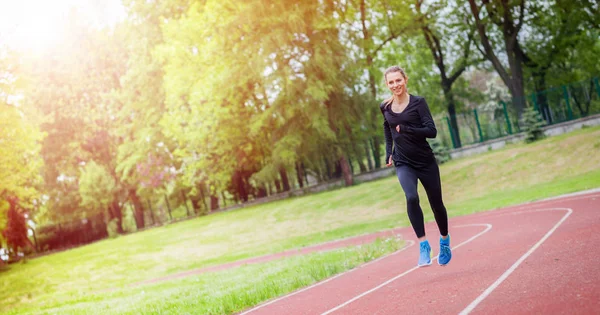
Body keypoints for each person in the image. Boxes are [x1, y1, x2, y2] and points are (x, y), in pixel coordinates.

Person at [379, 65, 451, 267]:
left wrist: (408, 129)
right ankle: (423, 245)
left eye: (398, 80)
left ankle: (444, 241)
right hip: (403, 162)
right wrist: (389, 151)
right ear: (387, 84)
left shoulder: (418, 103)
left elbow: (431, 131)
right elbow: (387, 127)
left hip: (425, 161)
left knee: (436, 204)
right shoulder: (385, 106)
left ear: (405, 79)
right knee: (411, 197)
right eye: (391, 82)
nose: (395, 85)